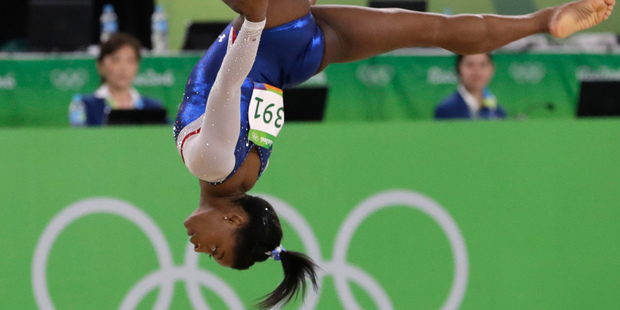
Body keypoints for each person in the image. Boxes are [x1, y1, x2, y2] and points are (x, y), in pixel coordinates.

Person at [174, 0, 615, 308]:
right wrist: (252, 21)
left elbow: (251, 96)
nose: (200, 251)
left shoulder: (249, 175)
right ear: (233, 219)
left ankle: (543, 20)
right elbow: (229, 85)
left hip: (298, 60)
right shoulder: (212, 166)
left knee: (437, 31)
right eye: (217, 251)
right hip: (271, 37)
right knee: (435, 30)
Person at [69, 33, 166, 127]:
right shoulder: (84, 106)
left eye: (130, 61)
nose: (123, 68)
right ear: (100, 66)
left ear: (138, 66)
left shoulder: (153, 107)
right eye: (116, 60)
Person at [435, 53, 507, 120]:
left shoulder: (497, 111)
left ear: (492, 69)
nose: (477, 71)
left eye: (482, 65)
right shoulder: (446, 109)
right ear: (458, 68)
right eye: (470, 65)